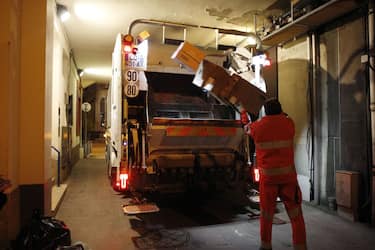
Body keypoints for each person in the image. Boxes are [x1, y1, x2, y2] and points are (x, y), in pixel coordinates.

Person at [243, 98, 307, 250]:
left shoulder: (257, 127)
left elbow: (246, 128)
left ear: (265, 111)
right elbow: (286, 117)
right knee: (296, 216)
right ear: (280, 110)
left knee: (266, 216)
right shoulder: (289, 124)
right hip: (288, 180)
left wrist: (244, 112)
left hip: (269, 180)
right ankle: (301, 247)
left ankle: (266, 246)